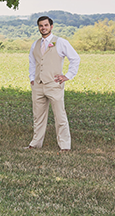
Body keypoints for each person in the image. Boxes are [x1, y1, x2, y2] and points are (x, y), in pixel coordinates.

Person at [27, 16, 80, 151]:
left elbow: (75, 59)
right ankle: (35, 143)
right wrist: (32, 79)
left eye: (45, 25)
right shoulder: (35, 44)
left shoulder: (61, 42)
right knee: (38, 116)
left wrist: (67, 76)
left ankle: (65, 145)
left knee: (60, 116)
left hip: (54, 84)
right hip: (38, 85)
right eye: (40, 25)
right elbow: (33, 63)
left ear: (51, 26)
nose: (43, 28)